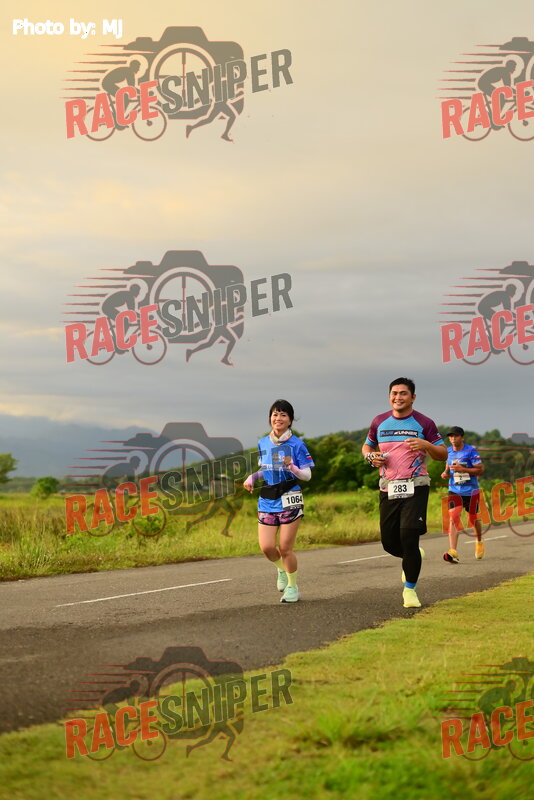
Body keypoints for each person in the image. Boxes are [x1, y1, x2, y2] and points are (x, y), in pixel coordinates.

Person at [362, 378, 447, 609]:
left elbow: (442, 453)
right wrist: (371, 457)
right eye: (394, 393)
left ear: (413, 397)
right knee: (389, 543)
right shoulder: (379, 422)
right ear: (389, 396)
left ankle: (409, 589)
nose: (398, 397)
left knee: (408, 534)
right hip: (388, 486)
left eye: (403, 393)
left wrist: (425, 445)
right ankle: (413, 555)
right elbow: (367, 446)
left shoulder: (424, 422)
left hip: (416, 485)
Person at [244, 400, 314, 603]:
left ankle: (293, 587)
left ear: (290, 420)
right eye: (275, 414)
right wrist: (252, 477)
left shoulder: (297, 444)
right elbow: (265, 468)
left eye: (283, 415)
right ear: (270, 418)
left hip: (290, 496)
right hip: (268, 498)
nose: (278, 418)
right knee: (266, 547)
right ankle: (281, 570)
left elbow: (307, 476)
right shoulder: (263, 443)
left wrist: (292, 466)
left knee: (285, 548)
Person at [441, 426, 485, 562]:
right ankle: (453, 551)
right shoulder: (448, 451)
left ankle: (479, 541)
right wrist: (446, 472)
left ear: (462, 437)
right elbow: (448, 464)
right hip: (454, 490)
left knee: (473, 519)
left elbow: (480, 470)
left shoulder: (470, 451)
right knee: (453, 517)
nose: (453, 439)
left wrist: (463, 469)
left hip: (471, 490)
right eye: (451, 436)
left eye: (456, 436)